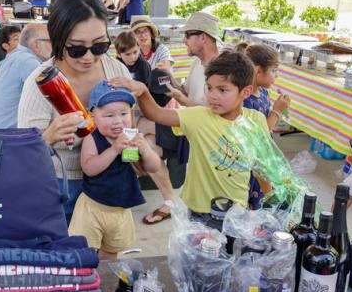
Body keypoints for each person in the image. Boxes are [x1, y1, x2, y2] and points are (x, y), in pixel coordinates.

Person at [109, 51, 271, 217]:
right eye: (209, 88)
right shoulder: (198, 116)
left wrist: (270, 199)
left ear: (245, 92)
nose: (213, 96)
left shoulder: (256, 120)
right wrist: (143, 91)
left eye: (222, 90)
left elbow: (261, 165)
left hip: (237, 209)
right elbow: (156, 114)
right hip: (200, 212)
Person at [17, 0, 132, 224]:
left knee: (106, 255)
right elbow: (23, 150)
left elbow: (132, 122)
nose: (89, 57)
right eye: (77, 49)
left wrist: (135, 158)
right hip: (62, 185)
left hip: (110, 180)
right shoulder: (41, 83)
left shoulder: (116, 71)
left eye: (99, 46)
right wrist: (49, 136)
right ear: (59, 40)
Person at [68, 81, 161, 260]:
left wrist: (146, 150)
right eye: (109, 115)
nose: (118, 121)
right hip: (92, 208)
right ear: (92, 115)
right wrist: (114, 150)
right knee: (83, 250)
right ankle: (87, 278)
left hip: (120, 210)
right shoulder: (92, 138)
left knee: (111, 252)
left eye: (124, 113)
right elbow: (89, 168)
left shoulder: (133, 137)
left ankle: (106, 277)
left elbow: (154, 167)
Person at [128, 16, 177, 224]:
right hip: (145, 116)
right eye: (137, 33)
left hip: (165, 114)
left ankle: (135, 173)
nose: (142, 35)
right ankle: (171, 202)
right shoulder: (130, 59)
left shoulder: (161, 51)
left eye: (145, 31)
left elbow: (164, 70)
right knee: (144, 144)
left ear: (151, 33)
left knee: (135, 131)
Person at [0, 24, 51, 130]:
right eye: (50, 41)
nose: (53, 45)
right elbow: (49, 96)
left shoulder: (13, 58)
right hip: (7, 138)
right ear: (36, 45)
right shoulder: (27, 61)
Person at [167, 11, 221, 107]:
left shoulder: (223, 70)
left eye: (187, 35)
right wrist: (168, 76)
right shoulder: (197, 62)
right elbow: (186, 93)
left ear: (203, 37)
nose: (184, 40)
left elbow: (215, 116)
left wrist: (185, 102)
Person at [237, 43, 291, 131]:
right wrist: (277, 111)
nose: (277, 75)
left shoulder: (263, 91)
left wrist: (280, 110)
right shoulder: (245, 99)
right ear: (258, 71)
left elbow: (268, 121)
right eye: (274, 70)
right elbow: (260, 132)